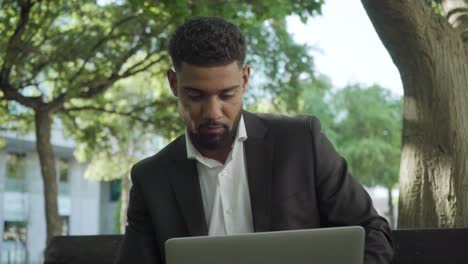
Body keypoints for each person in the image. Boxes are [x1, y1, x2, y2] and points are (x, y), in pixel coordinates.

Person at [115, 16, 393, 264]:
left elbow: (372, 231)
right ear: (174, 84)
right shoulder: (151, 178)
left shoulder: (302, 143)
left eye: (226, 95)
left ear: (245, 79)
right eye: (196, 96)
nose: (213, 112)